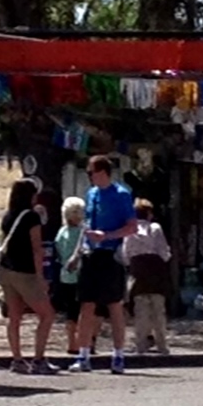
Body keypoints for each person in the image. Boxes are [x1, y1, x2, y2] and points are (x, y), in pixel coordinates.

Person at [69, 155, 136, 374]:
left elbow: (131, 227)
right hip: (91, 254)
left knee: (114, 305)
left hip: (110, 254)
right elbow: (87, 225)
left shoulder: (121, 194)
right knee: (86, 305)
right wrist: (77, 252)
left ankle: (118, 355)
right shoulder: (91, 194)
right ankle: (84, 355)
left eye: (91, 172)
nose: (89, 177)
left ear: (103, 172)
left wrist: (107, 236)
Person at [0, 180, 60, 375]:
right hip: (26, 272)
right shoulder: (32, 217)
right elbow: (36, 249)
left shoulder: (8, 216)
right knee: (47, 314)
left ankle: (17, 359)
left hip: (6, 270)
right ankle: (39, 359)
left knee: (14, 316)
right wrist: (41, 277)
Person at [122, 198, 172, 355]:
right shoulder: (155, 228)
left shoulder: (130, 230)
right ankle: (162, 345)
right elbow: (164, 253)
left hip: (138, 273)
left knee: (141, 310)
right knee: (158, 310)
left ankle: (141, 345)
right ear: (149, 213)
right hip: (156, 273)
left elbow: (125, 255)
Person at [52, 197, 87, 355]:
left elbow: (58, 252)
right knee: (83, 309)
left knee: (70, 312)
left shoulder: (61, 232)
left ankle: (71, 342)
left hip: (65, 275)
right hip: (81, 275)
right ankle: (84, 342)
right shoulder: (83, 232)